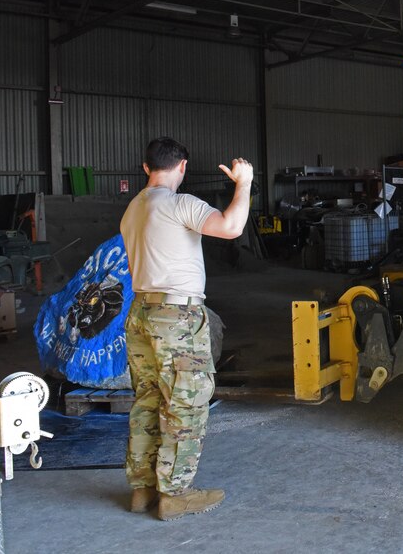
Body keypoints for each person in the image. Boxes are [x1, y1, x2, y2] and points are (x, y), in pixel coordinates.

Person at [119, 137, 253, 521]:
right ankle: (175, 493)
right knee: (185, 404)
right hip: (175, 318)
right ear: (182, 167)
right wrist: (243, 184)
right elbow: (231, 227)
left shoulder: (133, 210)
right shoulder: (182, 204)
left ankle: (142, 489)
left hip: (141, 312)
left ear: (146, 168)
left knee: (147, 400)